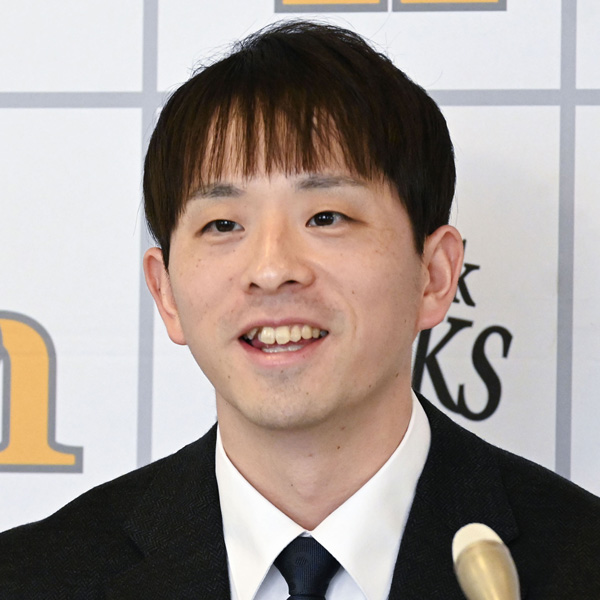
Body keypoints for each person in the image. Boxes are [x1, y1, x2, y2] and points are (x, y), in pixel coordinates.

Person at [1, 20, 599, 600]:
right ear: (166, 293)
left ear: (434, 275)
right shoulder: (33, 577)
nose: (271, 268)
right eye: (223, 225)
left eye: (326, 217)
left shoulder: (578, 563)